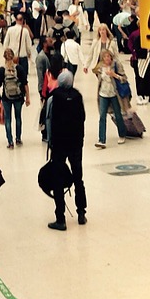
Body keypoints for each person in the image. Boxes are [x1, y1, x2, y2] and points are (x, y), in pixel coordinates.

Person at [45, 70, 88, 231]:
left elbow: (49, 120)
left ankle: (60, 218)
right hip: (76, 143)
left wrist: (50, 142)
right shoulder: (78, 96)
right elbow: (82, 117)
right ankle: (81, 212)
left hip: (60, 143)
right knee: (78, 178)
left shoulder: (53, 97)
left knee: (57, 180)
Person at [92, 47, 129, 150]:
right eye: (105, 57)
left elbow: (124, 78)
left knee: (118, 114)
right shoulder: (100, 68)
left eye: (108, 56)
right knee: (102, 116)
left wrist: (115, 75)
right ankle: (101, 139)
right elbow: (96, 73)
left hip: (114, 94)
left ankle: (122, 134)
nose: (107, 58)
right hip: (103, 94)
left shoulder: (116, 65)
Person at [0, 48, 30, 148]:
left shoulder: (2, 70)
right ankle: (18, 139)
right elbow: (25, 84)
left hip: (6, 98)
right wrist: (27, 98)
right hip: (18, 97)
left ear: (4, 57)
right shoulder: (19, 68)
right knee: (18, 117)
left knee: (7, 119)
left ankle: (10, 142)